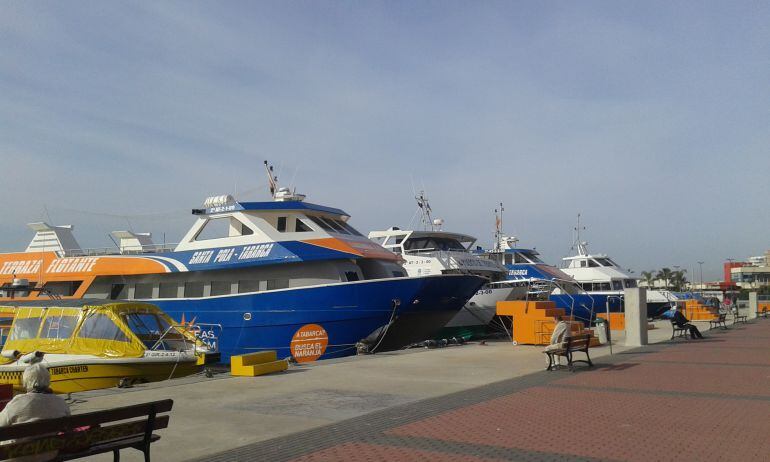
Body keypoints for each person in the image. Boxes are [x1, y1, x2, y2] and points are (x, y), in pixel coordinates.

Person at [0, 363, 71, 462]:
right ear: (48, 380)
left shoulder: (17, 402)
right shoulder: (60, 402)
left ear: (26, 381)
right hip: (49, 454)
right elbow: (68, 425)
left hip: (18, 456)